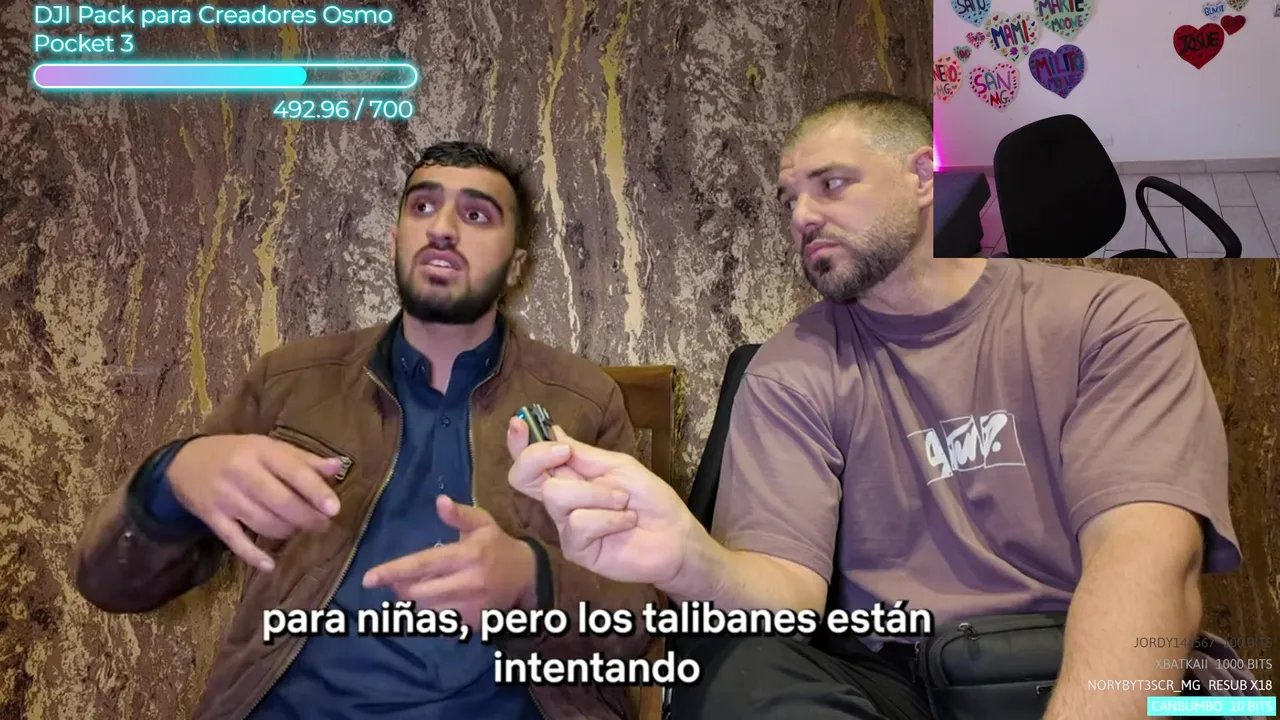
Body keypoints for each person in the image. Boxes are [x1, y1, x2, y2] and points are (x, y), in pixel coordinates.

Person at [505, 92, 1241, 720]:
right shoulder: (790, 369)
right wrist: (692, 561)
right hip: (894, 679)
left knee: (1233, 701)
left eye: (831, 183)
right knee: (734, 678)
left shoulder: (1113, 318)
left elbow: (1148, 559)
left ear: (922, 175)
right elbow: (788, 599)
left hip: (1087, 657)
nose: (802, 215)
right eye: (789, 199)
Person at [73, 141, 657, 719]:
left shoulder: (582, 401)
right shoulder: (290, 380)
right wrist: (170, 479)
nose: (442, 229)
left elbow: (640, 623)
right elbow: (111, 585)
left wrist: (535, 581)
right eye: (423, 207)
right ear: (395, 240)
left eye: (476, 215)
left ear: (517, 266)